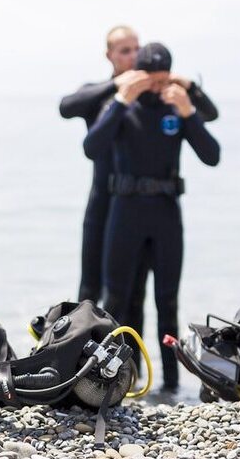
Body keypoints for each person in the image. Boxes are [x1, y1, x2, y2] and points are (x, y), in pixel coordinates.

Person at [83, 42, 220, 390]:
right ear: (138, 76)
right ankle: (111, 379)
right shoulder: (122, 106)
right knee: (115, 299)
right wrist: (121, 100)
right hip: (124, 212)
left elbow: (212, 155)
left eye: (164, 80)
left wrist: (189, 111)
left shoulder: (175, 107)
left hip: (165, 214)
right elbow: (91, 147)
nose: (158, 88)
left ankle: (171, 385)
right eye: (152, 81)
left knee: (167, 301)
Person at [59, 26, 219, 309]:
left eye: (136, 49)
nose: (133, 56)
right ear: (109, 56)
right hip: (103, 204)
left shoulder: (156, 100)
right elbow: (66, 107)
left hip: (137, 207)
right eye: (125, 51)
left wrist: (189, 86)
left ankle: (134, 353)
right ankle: (82, 349)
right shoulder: (103, 96)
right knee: (90, 289)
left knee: (136, 294)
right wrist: (119, 85)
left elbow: (207, 116)